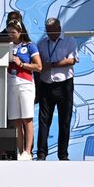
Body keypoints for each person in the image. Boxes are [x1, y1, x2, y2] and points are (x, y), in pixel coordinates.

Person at [35, 17, 77, 161]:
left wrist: (52, 64)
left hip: (64, 84)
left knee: (64, 120)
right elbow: (37, 63)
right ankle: (41, 153)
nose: (51, 34)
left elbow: (72, 60)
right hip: (46, 84)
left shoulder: (69, 41)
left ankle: (63, 154)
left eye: (53, 31)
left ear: (59, 28)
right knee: (44, 120)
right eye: (48, 32)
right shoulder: (41, 43)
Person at [6, 22, 42, 161]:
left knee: (27, 118)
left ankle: (28, 151)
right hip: (11, 83)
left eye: (13, 33)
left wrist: (22, 64)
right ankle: (19, 151)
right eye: (9, 32)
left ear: (20, 32)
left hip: (25, 83)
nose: (11, 35)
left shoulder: (29, 46)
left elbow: (38, 66)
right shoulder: (7, 46)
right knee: (15, 120)